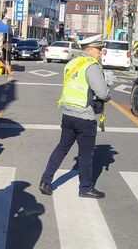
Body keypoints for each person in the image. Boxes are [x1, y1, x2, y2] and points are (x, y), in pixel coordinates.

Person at [39, 35, 111, 199]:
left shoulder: (72, 63)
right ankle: (85, 188)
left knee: (62, 148)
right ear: (90, 49)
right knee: (86, 154)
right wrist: (108, 92)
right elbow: (102, 93)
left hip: (68, 114)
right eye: (99, 49)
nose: (101, 53)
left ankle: (45, 180)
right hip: (85, 116)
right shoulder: (92, 65)